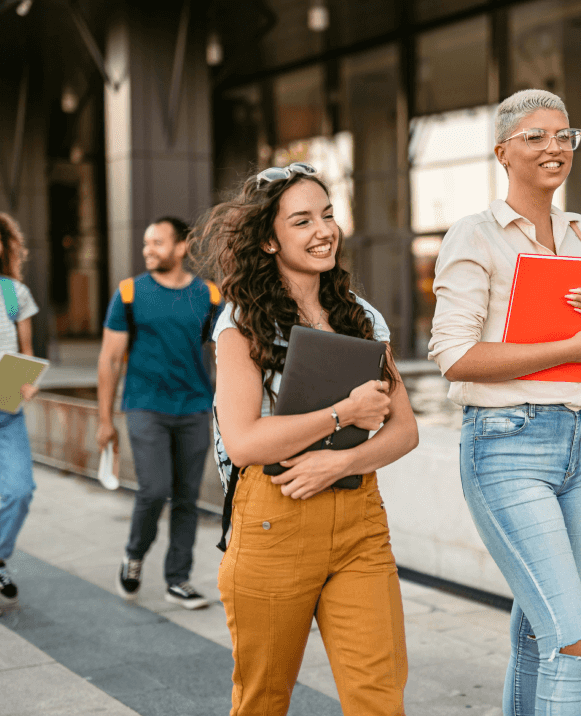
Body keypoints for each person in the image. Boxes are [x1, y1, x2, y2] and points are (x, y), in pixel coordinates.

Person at [428, 89, 581, 716]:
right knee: (574, 638)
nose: (554, 147)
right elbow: (453, 356)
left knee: (534, 629)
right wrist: (569, 344)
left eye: (564, 135)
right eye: (536, 136)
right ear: (502, 152)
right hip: (507, 447)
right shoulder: (475, 234)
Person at [196, 163, 418, 716]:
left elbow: (405, 429)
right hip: (274, 519)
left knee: (379, 698)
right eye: (302, 221)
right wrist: (342, 413)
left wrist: (337, 464)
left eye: (327, 215)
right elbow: (243, 441)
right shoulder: (241, 322)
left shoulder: (361, 317)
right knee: (263, 700)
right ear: (269, 240)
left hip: (360, 521)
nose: (323, 230)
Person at [97, 216, 222, 610]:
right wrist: (104, 421)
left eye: (157, 243)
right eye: (146, 244)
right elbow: (109, 359)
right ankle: (134, 554)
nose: (148, 250)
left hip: (195, 406)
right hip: (145, 405)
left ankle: (178, 579)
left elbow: (223, 356)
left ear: (181, 247)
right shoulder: (130, 292)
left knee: (187, 496)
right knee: (153, 489)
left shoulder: (210, 296)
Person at [0, 208, 39, 618]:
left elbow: (26, 349)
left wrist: (29, 380)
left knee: (20, 489)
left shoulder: (14, 291)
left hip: (4, 398)